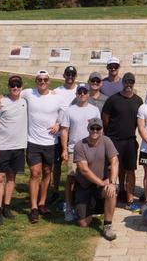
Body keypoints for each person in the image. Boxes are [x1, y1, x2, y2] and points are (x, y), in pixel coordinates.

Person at [21, 70, 67, 223]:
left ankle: (42, 203)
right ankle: (33, 207)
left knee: (47, 172)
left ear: (49, 81)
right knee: (35, 173)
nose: (42, 82)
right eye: (39, 79)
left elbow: (64, 112)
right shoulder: (28, 93)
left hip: (51, 143)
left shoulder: (57, 98)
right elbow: (12, 95)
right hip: (33, 142)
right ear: (36, 81)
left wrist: (58, 124)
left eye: (45, 79)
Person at [0, 75, 28, 225]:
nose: (15, 88)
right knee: (0, 178)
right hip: (2, 146)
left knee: (12, 178)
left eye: (18, 85)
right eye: (12, 85)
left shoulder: (25, 100)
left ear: (22, 87)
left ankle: (7, 207)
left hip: (18, 147)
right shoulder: (1, 103)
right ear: (8, 87)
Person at [101, 72, 143, 212]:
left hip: (130, 141)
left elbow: (139, 121)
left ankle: (129, 200)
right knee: (113, 169)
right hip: (114, 140)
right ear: (122, 83)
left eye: (131, 82)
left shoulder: (138, 100)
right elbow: (105, 119)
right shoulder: (113, 100)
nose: (128, 84)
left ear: (133, 83)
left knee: (130, 170)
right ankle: (111, 196)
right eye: (126, 82)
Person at [59, 83, 101, 221]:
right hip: (73, 150)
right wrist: (64, 149)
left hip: (91, 148)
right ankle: (69, 207)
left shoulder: (94, 110)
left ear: (88, 93)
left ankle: (90, 206)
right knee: (71, 178)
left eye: (85, 92)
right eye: (80, 92)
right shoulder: (69, 110)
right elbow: (64, 130)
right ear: (76, 94)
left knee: (91, 178)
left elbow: (99, 130)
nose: (82, 94)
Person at [73, 118, 119, 240]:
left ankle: (107, 226)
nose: (95, 130)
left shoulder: (107, 141)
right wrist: (101, 182)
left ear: (102, 130)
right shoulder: (79, 145)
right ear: (88, 129)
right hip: (84, 185)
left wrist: (112, 182)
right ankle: (90, 207)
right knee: (83, 224)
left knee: (111, 191)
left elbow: (114, 161)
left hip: (102, 184)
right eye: (92, 128)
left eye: (98, 128)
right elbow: (83, 169)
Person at [50, 66, 79, 206]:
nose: (70, 76)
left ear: (75, 76)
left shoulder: (80, 90)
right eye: (68, 74)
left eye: (72, 74)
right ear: (63, 75)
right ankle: (55, 190)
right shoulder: (56, 91)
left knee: (73, 165)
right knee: (57, 164)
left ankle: (73, 192)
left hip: (74, 132)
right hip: (60, 131)